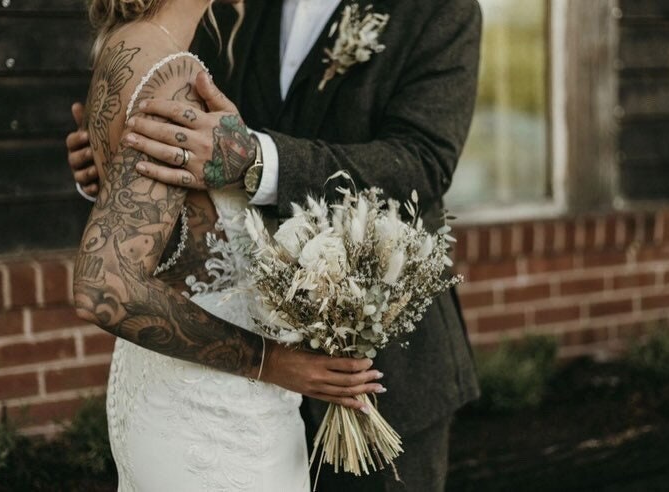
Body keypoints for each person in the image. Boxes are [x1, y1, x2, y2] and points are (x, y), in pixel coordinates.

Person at [68, 0, 483, 489]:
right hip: (230, 386)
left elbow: (421, 162)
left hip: (374, 372)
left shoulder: (439, 10)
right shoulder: (229, 14)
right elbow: (182, 142)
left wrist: (256, 160)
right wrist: (120, 172)